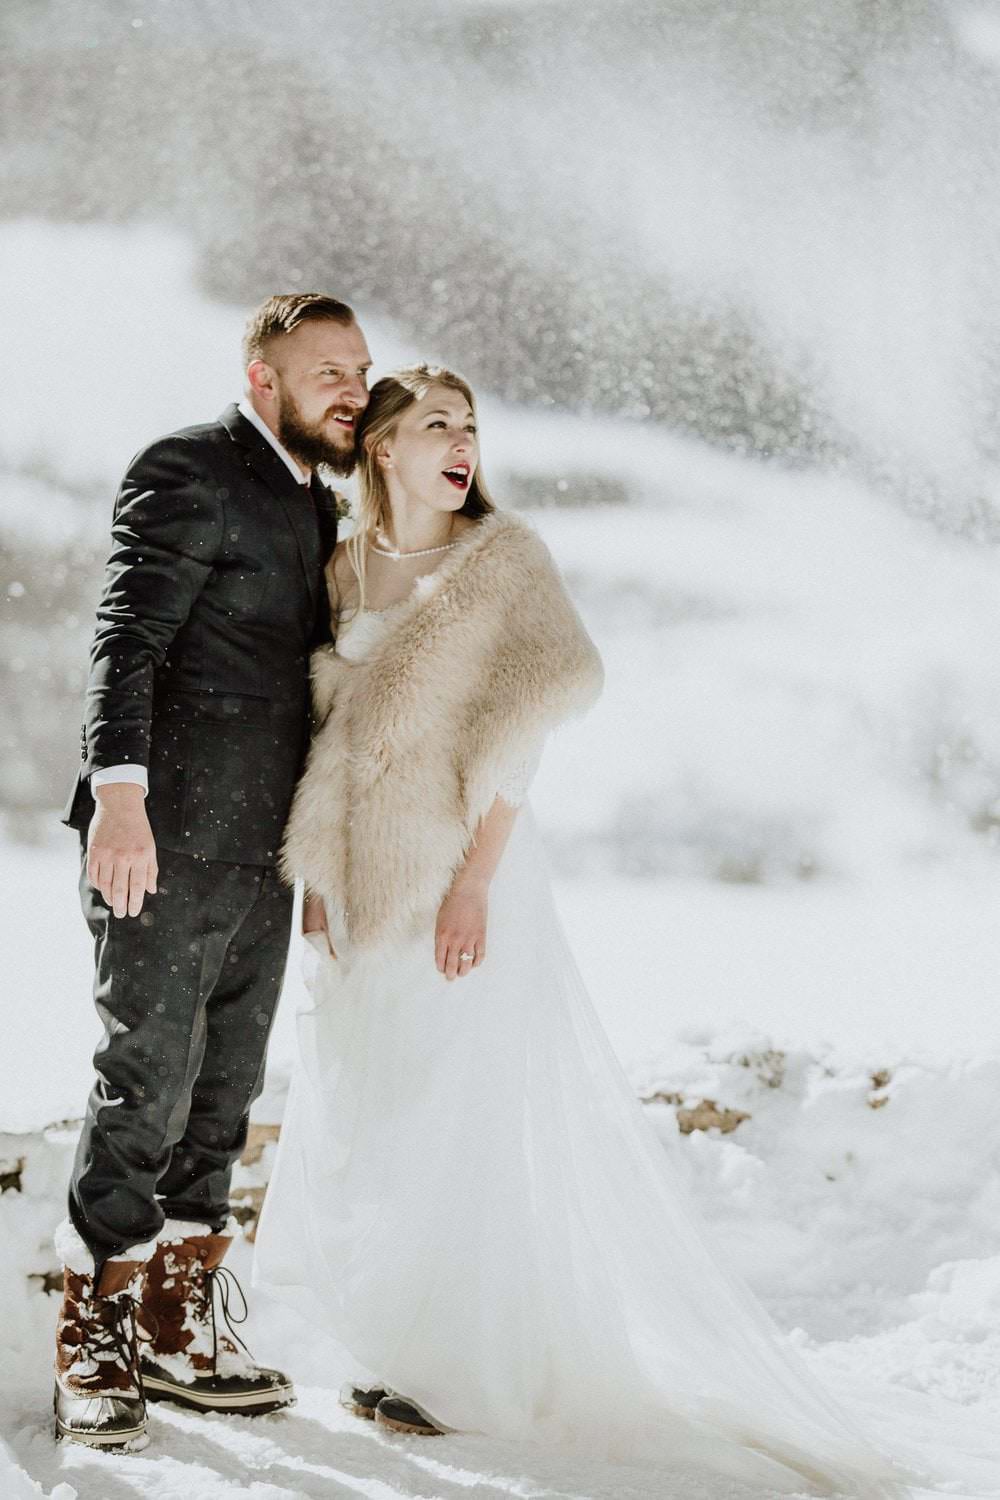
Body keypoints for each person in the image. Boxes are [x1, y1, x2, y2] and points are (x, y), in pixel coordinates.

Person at [252, 365, 906, 1498]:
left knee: (462, 1112)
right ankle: (396, 1351)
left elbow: (525, 734)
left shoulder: (504, 563)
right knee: (375, 1104)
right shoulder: (345, 564)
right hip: (359, 881)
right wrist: (319, 868)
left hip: (468, 876)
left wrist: (471, 884)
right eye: (437, 427)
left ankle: (465, 1368)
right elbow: (335, 736)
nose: (460, 445)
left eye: (471, 428)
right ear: (386, 449)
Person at [53, 293, 373, 1452]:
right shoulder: (188, 466)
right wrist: (120, 796)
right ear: (261, 379)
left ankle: (179, 1328)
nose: (349, 385)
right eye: (325, 368)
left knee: (225, 1092)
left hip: (267, 845)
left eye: (360, 367)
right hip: (164, 829)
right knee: (146, 1076)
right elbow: (125, 634)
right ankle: (91, 1337)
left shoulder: (317, 503)